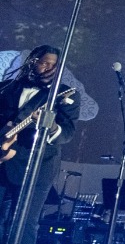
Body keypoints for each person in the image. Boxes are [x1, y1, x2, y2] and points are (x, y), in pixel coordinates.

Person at [0, 45, 80, 243]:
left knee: (24, 223)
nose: (49, 68)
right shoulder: (7, 88)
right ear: (32, 62)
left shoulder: (64, 94)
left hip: (37, 165)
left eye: (54, 65)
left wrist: (50, 126)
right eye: (45, 63)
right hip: (3, 160)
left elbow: (67, 133)